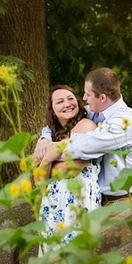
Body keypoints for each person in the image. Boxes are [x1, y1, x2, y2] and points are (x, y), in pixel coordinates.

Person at [34, 67, 132, 203]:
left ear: (102, 97)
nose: (83, 98)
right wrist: (44, 139)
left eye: (87, 94)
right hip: (103, 201)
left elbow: (82, 147)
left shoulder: (122, 122)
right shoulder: (96, 111)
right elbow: (60, 119)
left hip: (126, 200)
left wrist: (48, 156)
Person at [36, 85, 102, 253]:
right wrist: (49, 158)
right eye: (60, 101)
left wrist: (49, 158)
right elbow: (39, 181)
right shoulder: (50, 136)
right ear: (52, 110)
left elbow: (73, 168)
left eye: (70, 98)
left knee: (77, 257)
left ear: (78, 102)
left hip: (79, 201)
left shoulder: (86, 126)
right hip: (52, 205)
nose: (67, 103)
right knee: (51, 262)